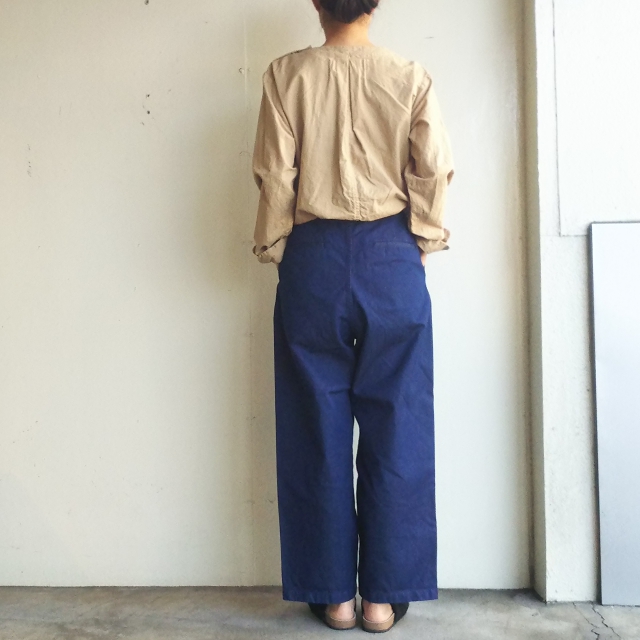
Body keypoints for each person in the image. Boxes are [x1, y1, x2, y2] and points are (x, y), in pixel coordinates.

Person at [251, 0, 454, 632]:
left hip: (313, 259)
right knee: (400, 426)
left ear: (316, 3)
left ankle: (334, 596)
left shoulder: (286, 76)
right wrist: (422, 242)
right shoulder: (410, 77)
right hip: (392, 257)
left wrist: (279, 249)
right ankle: (382, 601)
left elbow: (275, 176)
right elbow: (433, 170)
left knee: (315, 428)